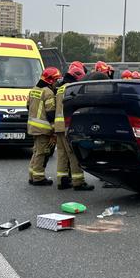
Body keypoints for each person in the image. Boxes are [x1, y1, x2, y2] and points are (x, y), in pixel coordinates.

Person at [54, 63, 94, 191]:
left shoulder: (60, 88)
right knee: (74, 153)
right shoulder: (71, 88)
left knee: (62, 154)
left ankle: (62, 181)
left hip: (58, 125)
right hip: (67, 125)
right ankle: (78, 182)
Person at [27, 67, 61, 186]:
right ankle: (38, 178)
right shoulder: (48, 92)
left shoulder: (33, 90)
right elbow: (51, 113)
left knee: (36, 151)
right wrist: (54, 131)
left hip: (33, 127)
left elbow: (28, 106)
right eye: (56, 80)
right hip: (43, 128)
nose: (57, 82)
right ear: (51, 80)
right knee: (42, 153)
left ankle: (32, 175)